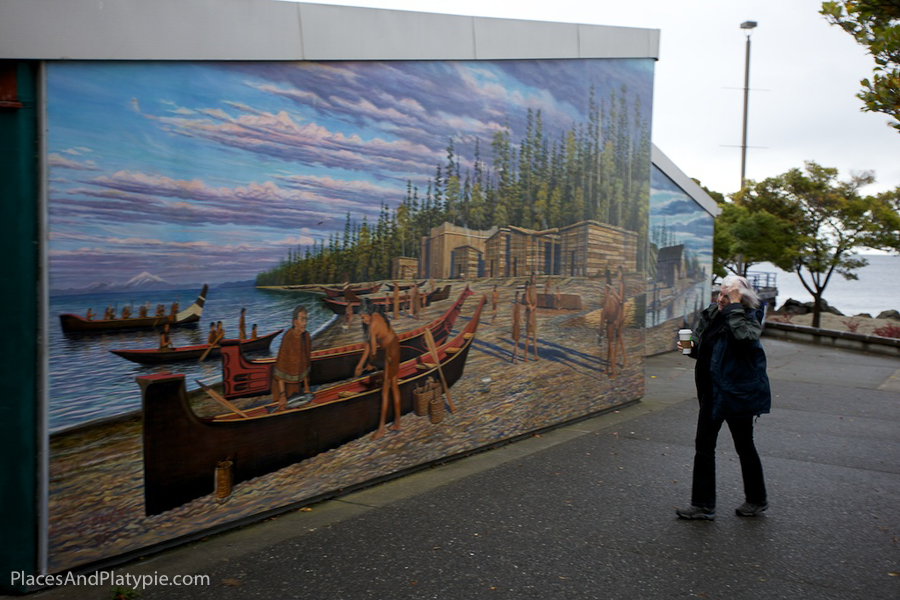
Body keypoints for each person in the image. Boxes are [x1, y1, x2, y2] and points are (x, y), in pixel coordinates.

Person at [676, 275, 771, 520]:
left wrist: (735, 306)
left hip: (737, 394)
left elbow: (746, 339)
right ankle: (703, 505)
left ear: (740, 298)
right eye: (720, 293)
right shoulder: (713, 313)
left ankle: (757, 499)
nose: (720, 298)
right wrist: (691, 348)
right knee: (704, 446)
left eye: (727, 295)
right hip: (711, 391)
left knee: (744, 446)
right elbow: (707, 350)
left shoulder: (749, 316)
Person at [354, 300, 401, 440]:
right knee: (393, 385)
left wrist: (369, 364)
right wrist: (360, 364)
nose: (363, 320)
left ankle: (381, 429)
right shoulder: (372, 318)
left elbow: (373, 352)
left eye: (363, 317)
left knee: (386, 389)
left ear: (368, 313)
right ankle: (397, 422)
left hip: (391, 350)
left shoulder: (373, 323)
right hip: (394, 346)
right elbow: (369, 345)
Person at [272, 306, 312, 412]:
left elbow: (306, 363)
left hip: (296, 385)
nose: (305, 323)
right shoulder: (288, 337)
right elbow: (280, 366)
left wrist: (307, 387)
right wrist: (282, 394)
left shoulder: (306, 336)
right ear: (295, 322)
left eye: (306, 319)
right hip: (283, 386)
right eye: (302, 319)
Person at [524, 273, 539, 361]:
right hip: (529, 312)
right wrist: (530, 306)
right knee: (528, 335)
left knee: (534, 334)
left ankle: (535, 355)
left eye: (534, 278)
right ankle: (525, 356)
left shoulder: (535, 288)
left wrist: (534, 306)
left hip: (534, 312)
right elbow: (526, 299)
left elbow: (536, 300)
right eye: (532, 278)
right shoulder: (528, 288)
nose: (533, 279)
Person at [511, 290, 521, 364]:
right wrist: (512, 325)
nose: (518, 298)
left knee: (517, 342)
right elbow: (512, 316)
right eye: (517, 297)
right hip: (515, 325)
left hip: (518, 325)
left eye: (518, 297)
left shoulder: (519, 305)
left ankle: (513, 357)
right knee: (515, 342)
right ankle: (516, 358)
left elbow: (519, 315)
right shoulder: (515, 305)